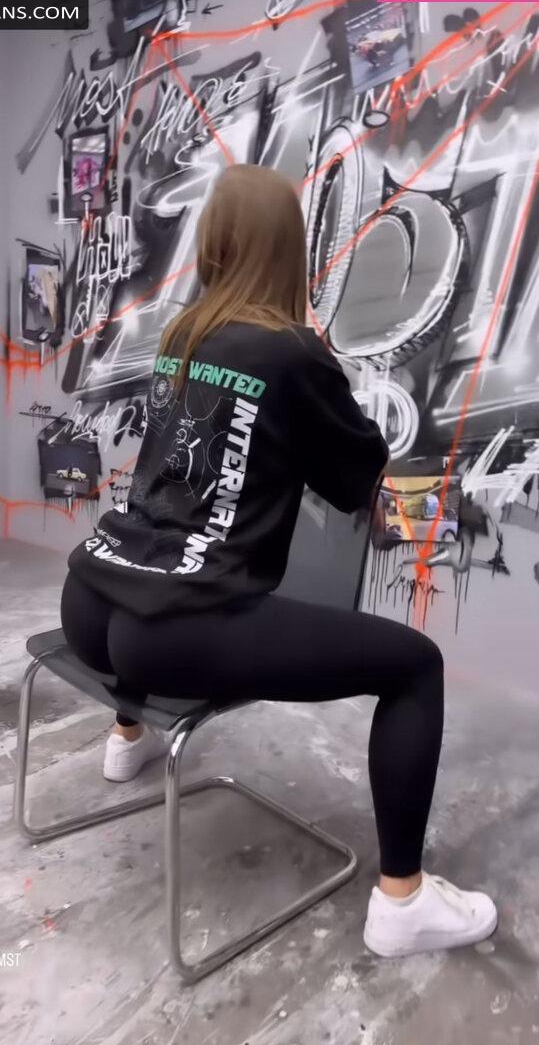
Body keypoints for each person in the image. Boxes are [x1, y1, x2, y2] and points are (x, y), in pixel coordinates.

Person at [61, 164, 497, 958]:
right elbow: (352, 476)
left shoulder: (182, 335)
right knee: (414, 667)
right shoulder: (290, 352)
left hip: (92, 602)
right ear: (288, 248)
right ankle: (402, 902)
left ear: (215, 243)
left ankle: (128, 737)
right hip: (177, 630)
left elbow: (172, 479)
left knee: (164, 543)